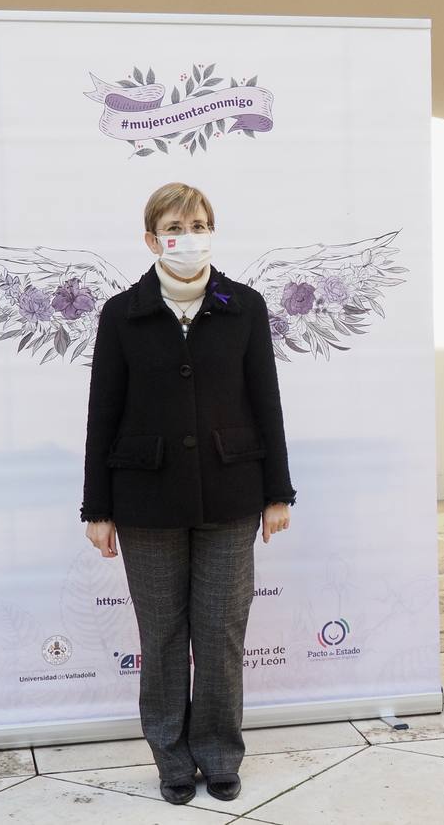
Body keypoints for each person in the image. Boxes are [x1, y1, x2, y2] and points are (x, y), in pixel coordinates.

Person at [79, 182, 296, 806]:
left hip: (232, 494)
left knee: (222, 632)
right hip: (145, 501)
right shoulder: (121, 314)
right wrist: (98, 508)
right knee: (164, 637)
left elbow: (266, 402)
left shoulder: (245, 307)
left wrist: (277, 492)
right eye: (176, 225)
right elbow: (103, 414)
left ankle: (220, 754)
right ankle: (172, 759)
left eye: (200, 223)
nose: (189, 234)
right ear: (152, 238)